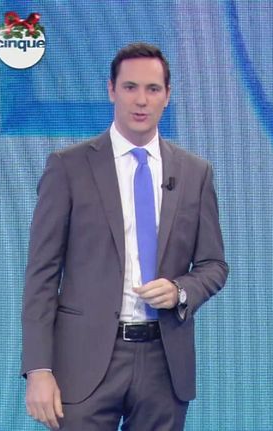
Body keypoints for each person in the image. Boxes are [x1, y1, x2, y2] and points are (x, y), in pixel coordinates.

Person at [21, 42, 228, 430]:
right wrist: (38, 368)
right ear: (111, 90)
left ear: (167, 95)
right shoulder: (69, 167)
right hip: (83, 364)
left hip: (164, 365)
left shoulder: (195, 173)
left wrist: (181, 290)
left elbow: (214, 265)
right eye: (130, 87)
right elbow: (41, 275)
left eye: (153, 89)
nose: (141, 100)